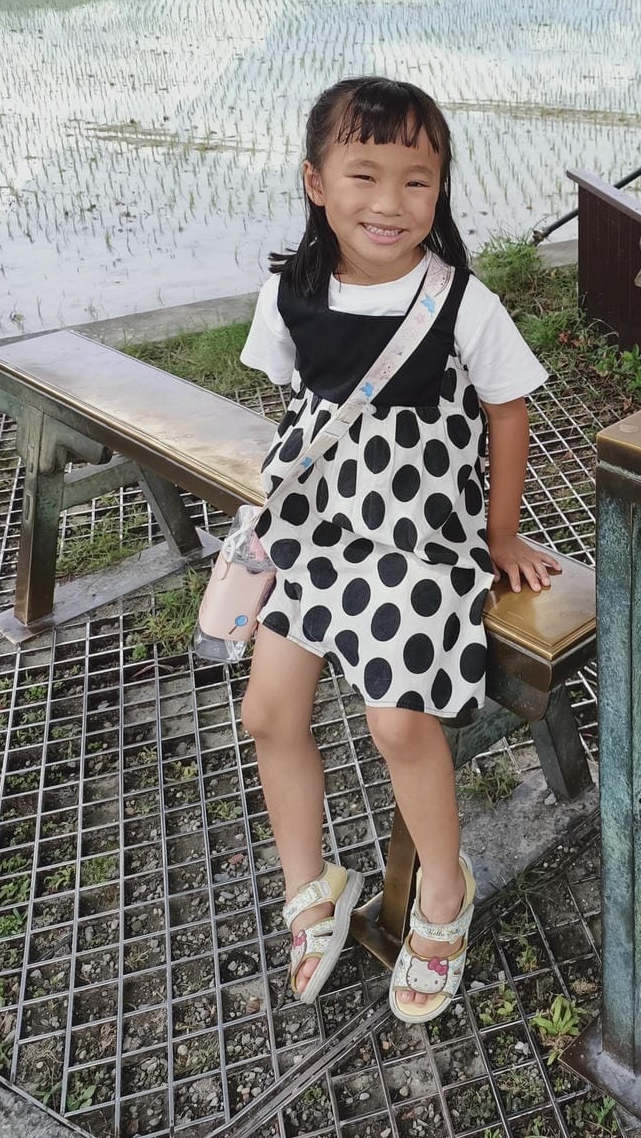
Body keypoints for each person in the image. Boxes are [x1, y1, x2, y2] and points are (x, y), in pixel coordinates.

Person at [238, 75, 560, 1022]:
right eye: (364, 175)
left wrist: (501, 534)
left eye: (417, 181)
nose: (390, 202)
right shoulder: (289, 293)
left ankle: (444, 895)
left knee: (398, 725)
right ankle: (312, 887)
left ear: (440, 188)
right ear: (315, 182)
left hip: (419, 545)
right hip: (317, 533)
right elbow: (299, 403)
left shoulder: (462, 303)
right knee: (267, 711)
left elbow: (508, 412)